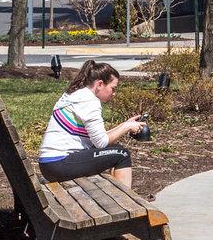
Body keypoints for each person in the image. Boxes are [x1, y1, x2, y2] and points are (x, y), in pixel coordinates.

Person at [38, 60, 144, 190]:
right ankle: (128, 202)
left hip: (50, 164)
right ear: (100, 84)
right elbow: (101, 143)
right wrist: (126, 127)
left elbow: (99, 138)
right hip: (59, 164)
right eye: (113, 88)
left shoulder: (76, 94)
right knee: (122, 154)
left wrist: (126, 124)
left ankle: (118, 196)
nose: (114, 93)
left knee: (114, 150)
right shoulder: (89, 101)